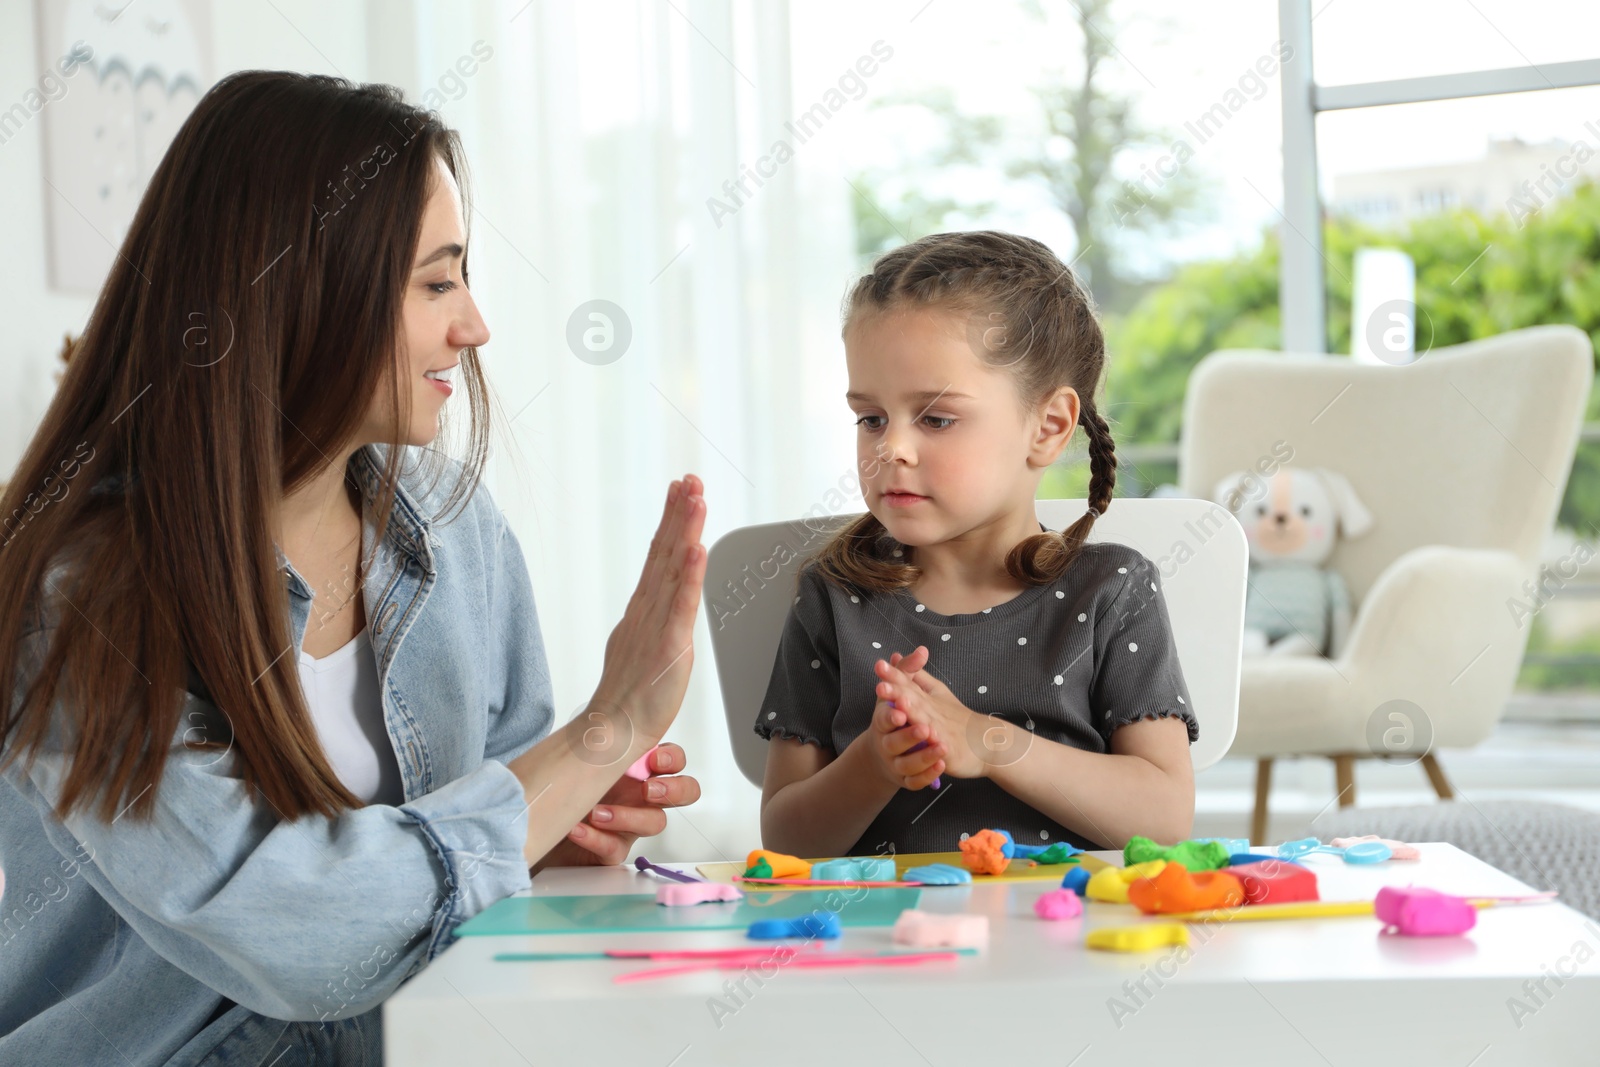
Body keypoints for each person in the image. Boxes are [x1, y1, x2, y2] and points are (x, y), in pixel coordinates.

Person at [0, 71, 706, 1064]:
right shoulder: (82, 598)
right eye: (435, 281)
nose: (474, 324)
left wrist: (560, 831)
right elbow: (289, 929)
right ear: (298, 289)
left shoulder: (456, 527)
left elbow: (503, 831)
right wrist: (598, 735)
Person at [756, 231, 1196, 860]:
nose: (891, 449)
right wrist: (876, 764)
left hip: (1067, 942)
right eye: (870, 418)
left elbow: (1164, 816)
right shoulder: (834, 596)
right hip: (883, 945)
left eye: (936, 419)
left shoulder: (1111, 588)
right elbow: (787, 839)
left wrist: (986, 743)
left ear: (1046, 428)